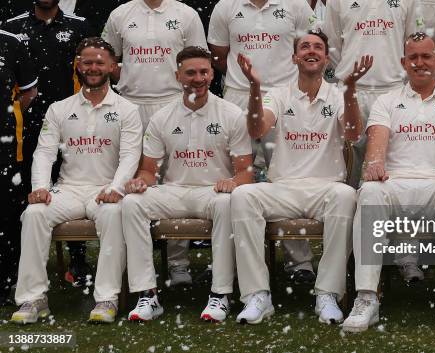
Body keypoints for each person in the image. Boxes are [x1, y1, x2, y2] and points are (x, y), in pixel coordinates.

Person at [342, 32, 435, 334]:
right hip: (395, 186)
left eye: (426, 56)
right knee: (369, 191)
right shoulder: (387, 101)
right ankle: (367, 297)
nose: (420, 63)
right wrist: (375, 164)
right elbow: (376, 145)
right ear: (403, 62)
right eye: (413, 57)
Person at [231, 30, 370, 324]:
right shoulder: (278, 94)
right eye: (304, 46)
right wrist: (255, 87)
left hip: (326, 189)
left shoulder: (338, 93)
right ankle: (257, 294)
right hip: (283, 189)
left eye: (318, 47)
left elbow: (355, 135)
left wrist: (351, 89)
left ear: (326, 57)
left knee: (347, 195)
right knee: (243, 196)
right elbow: (256, 130)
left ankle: (327, 294)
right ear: (294, 57)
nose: (311, 50)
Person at [10, 37, 142, 324]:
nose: (93, 67)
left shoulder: (127, 109)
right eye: (87, 62)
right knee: (33, 214)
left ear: (111, 66)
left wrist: (116, 188)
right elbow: (44, 153)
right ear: (78, 66)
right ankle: (33, 299)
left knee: (113, 213)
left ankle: (106, 298)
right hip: (68, 189)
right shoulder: (59, 108)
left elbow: (130, 156)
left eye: (99, 62)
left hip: (105, 189)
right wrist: (40, 188)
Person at [120, 46, 253, 323]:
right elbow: (148, 170)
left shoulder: (231, 114)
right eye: (190, 72)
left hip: (213, 192)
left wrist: (232, 182)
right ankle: (148, 295)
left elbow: (245, 173)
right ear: (178, 75)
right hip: (174, 191)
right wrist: (140, 183)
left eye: (204, 72)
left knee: (229, 201)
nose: (198, 78)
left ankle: (220, 294)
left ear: (212, 74)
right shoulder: (162, 118)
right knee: (132, 203)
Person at [207, 0, 319, 285]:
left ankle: (300, 262)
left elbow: (309, 45)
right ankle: (234, 260)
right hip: (238, 97)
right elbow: (219, 55)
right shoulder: (225, 6)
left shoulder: (295, 5)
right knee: (234, 177)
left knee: (286, 176)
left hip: (284, 98)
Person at [102, 0, 209, 286]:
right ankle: (133, 265)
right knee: (131, 182)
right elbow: (107, 59)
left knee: (175, 183)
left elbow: (198, 59)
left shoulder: (186, 14)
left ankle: (178, 264)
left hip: (173, 103)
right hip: (131, 104)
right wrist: (130, 81)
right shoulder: (120, 13)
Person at [3, 0, 95, 288]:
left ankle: (78, 263)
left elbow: (91, 71)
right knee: (28, 195)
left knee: (73, 186)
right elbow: (21, 86)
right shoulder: (13, 27)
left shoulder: (78, 26)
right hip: (28, 128)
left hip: (73, 123)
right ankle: (22, 267)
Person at [323, 0, 422, 188]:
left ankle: (382, 213)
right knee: (346, 167)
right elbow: (333, 45)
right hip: (351, 91)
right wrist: (348, 74)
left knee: (387, 167)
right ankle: (347, 212)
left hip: (392, 90)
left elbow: (412, 42)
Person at [0, 29, 38, 306]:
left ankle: (6, 281)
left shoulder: (10, 42)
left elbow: (28, 92)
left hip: (5, 146)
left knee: (5, 214)